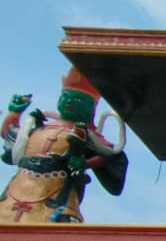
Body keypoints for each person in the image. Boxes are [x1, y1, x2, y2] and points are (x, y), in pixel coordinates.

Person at [1, 68, 127, 224]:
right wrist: (14, 114)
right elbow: (12, 136)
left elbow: (110, 156)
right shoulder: (39, 127)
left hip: (56, 192)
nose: (69, 102)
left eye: (77, 99)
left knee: (59, 223)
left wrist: (85, 162)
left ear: (91, 109)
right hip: (18, 187)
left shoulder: (87, 135)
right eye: (65, 97)